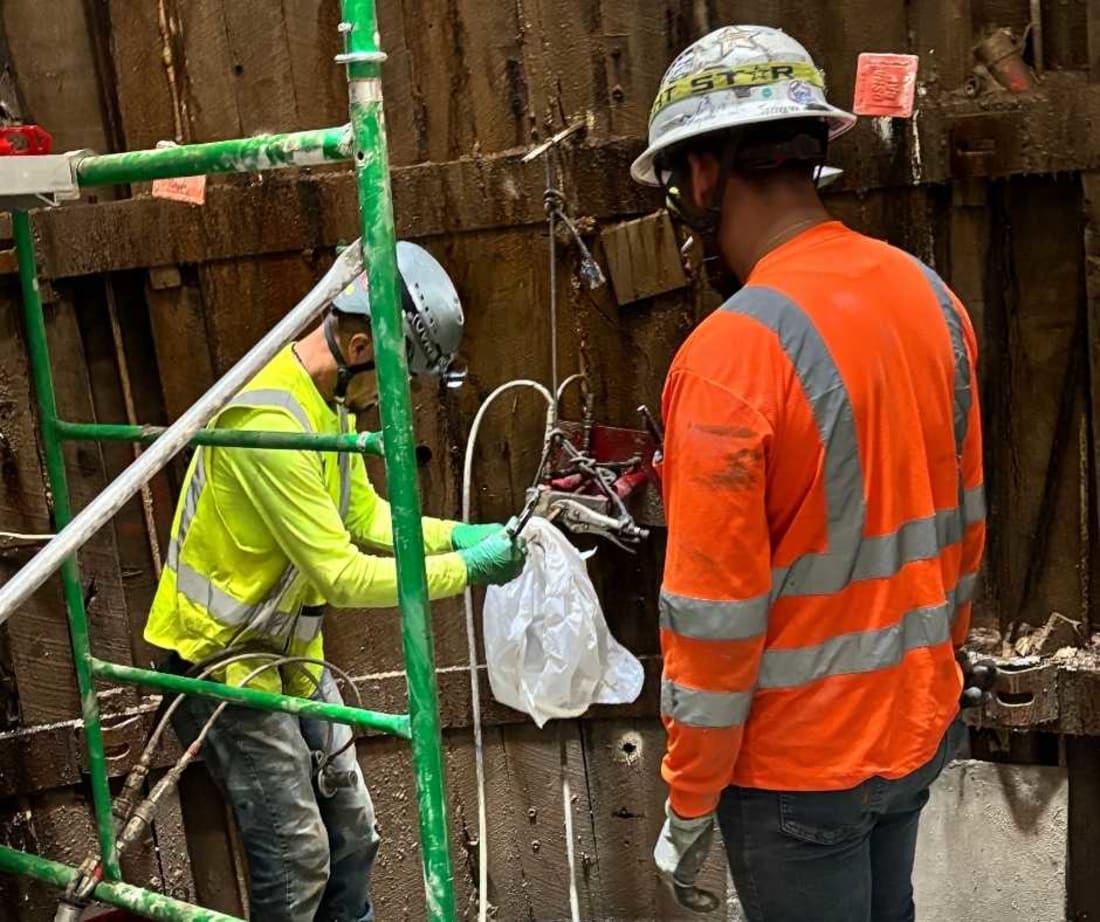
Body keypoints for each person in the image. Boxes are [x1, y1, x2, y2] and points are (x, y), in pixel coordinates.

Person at [633, 26, 985, 921]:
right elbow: (965, 532)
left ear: (703, 175)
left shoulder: (729, 357)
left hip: (798, 771)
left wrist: (690, 798)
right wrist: (935, 681)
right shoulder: (931, 299)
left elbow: (714, 626)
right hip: (914, 728)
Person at [144, 241, 526, 922]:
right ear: (357, 347)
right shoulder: (269, 421)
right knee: (297, 855)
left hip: (286, 656)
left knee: (354, 832)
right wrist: (467, 570)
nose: (399, 394)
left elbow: (363, 514)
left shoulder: (328, 407)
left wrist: (457, 533)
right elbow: (343, 577)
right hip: (220, 664)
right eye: (399, 375)